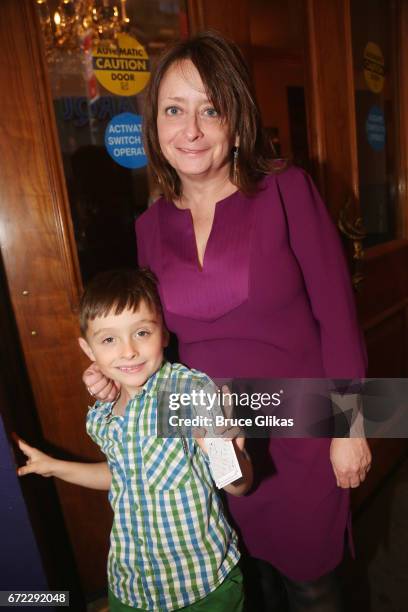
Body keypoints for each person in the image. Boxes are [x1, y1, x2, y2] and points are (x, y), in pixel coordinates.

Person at [84, 32, 372, 612]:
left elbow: (338, 318)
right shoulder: (148, 225)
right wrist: (120, 378)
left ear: (236, 121)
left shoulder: (288, 190)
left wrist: (351, 427)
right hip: (206, 432)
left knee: (311, 581)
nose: (190, 130)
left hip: (304, 425)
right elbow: (151, 337)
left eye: (209, 109)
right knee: (239, 580)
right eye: (174, 110)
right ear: (155, 127)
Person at [18, 268, 252, 612]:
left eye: (142, 332)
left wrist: (224, 451)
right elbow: (122, 477)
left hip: (202, 587)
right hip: (131, 588)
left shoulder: (185, 392)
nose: (128, 351)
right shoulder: (104, 413)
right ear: (88, 348)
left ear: (165, 335)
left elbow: (239, 485)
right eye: (109, 339)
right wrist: (54, 467)